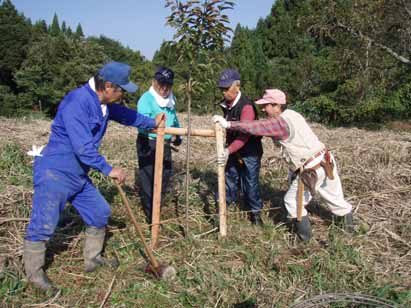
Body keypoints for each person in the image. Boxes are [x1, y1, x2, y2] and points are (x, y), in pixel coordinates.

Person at [23, 61, 164, 291]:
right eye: (120, 90)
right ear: (108, 86)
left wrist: (151, 123)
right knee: (44, 223)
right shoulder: (77, 102)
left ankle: (93, 259)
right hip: (55, 171)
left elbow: (127, 116)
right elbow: (83, 148)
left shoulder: (104, 105)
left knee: (100, 211)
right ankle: (34, 276)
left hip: (78, 174)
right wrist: (109, 170)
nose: (121, 95)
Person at [213, 89, 354, 241]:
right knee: (336, 199)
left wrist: (228, 124)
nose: (263, 109)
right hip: (326, 161)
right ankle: (350, 233)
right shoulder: (292, 114)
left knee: (292, 201)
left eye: (266, 105)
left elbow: (256, 127)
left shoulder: (280, 123)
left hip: (311, 169)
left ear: (276, 105)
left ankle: (303, 240)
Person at [215, 69, 264, 225]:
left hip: (249, 151)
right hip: (233, 149)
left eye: (226, 88)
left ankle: (255, 215)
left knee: (250, 182)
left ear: (237, 86)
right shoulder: (227, 104)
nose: (224, 92)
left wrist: (228, 150)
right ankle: (224, 209)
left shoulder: (246, 107)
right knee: (230, 177)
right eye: (222, 88)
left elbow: (244, 135)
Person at [136, 67, 182, 223]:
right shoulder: (146, 99)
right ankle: (152, 218)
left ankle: (157, 209)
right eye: (161, 84)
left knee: (164, 176)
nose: (164, 88)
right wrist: (154, 123)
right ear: (154, 82)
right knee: (149, 180)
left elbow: (173, 118)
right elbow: (141, 124)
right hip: (148, 143)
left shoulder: (170, 100)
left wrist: (177, 133)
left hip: (165, 144)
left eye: (168, 85)